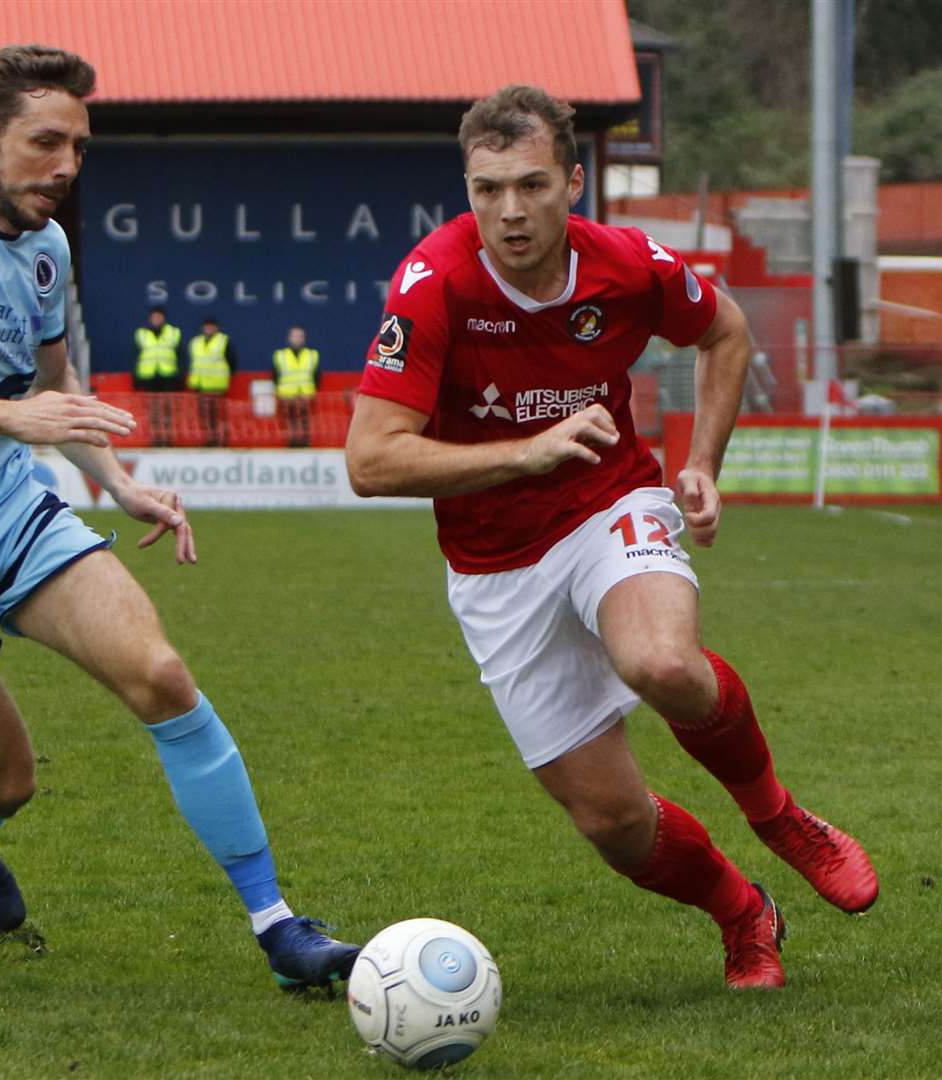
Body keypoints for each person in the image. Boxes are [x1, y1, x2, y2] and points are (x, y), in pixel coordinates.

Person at [0, 44, 358, 991]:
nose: (65, 166)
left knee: (160, 675)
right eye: (44, 142)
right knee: (5, 784)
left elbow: (53, 391)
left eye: (78, 144)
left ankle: (279, 928)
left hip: (3, 506)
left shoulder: (47, 246)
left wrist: (119, 482)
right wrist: (6, 417)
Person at [345, 85, 876, 991]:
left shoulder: (629, 263)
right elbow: (370, 460)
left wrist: (702, 463)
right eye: (486, 189)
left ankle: (778, 815)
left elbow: (726, 330)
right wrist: (527, 451)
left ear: (574, 183)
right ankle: (743, 912)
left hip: (607, 507)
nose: (509, 211)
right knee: (613, 825)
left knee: (662, 662)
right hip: (493, 567)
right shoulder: (433, 286)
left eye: (532, 185)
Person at [133, 305, 182, 446]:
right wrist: (136, 377)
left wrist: (179, 376)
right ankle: (155, 438)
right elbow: (136, 356)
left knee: (167, 409)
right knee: (153, 410)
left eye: (159, 316)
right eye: (154, 317)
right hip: (149, 377)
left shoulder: (173, 333)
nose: (156, 319)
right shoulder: (142, 334)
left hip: (168, 377)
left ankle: (167, 438)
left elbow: (180, 356)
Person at [186, 315, 235, 447]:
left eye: (211, 326)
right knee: (205, 416)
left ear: (216, 328)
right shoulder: (195, 342)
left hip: (217, 386)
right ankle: (208, 439)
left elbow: (232, 362)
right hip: (201, 386)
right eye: (206, 326)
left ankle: (221, 440)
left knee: (219, 416)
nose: (209, 329)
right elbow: (192, 363)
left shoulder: (223, 341)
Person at [273, 325, 319, 448]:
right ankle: (291, 441)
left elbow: (316, 376)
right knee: (290, 421)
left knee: (305, 421)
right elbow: (275, 375)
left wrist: (310, 392)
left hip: (306, 395)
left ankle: (305, 441)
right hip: (287, 396)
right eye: (294, 336)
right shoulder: (280, 355)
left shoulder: (312, 355)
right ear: (289, 338)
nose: (297, 339)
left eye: (300, 336)